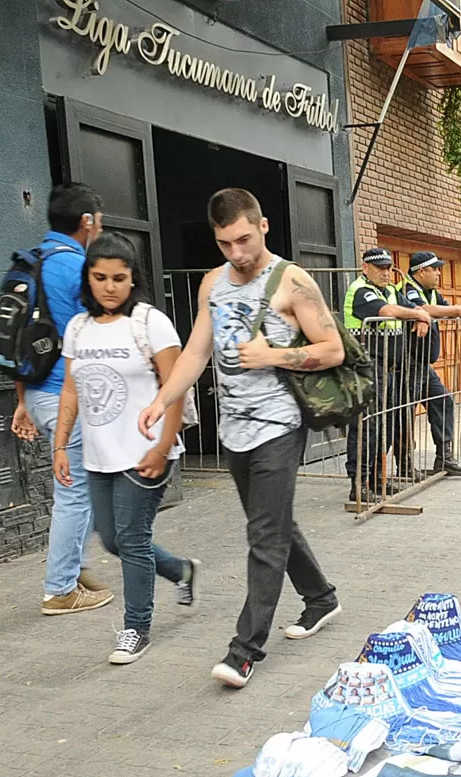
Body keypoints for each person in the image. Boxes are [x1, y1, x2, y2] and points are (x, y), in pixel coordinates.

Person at [138, 188, 346, 689]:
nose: (237, 253)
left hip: (280, 424)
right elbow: (194, 354)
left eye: (244, 240)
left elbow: (333, 348)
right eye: (225, 243)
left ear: (264, 227)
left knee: (263, 537)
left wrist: (274, 355)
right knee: (270, 523)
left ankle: (244, 651)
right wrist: (162, 399)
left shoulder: (292, 280)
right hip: (234, 429)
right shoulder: (212, 283)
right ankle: (321, 598)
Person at [52, 233, 198, 665]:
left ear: (134, 279)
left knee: (132, 539)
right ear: (88, 279)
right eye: (100, 277)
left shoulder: (151, 322)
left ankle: (136, 628)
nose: (110, 286)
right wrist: (60, 445)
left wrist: (164, 445)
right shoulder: (78, 328)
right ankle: (180, 570)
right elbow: (71, 391)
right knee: (112, 539)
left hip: (146, 450)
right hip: (98, 455)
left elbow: (177, 389)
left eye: (120, 278)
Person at [9, 182, 114, 616]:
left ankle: (77, 567)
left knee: (84, 486)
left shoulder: (30, 263)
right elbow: (92, 338)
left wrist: (21, 402)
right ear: (87, 222)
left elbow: (19, 340)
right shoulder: (75, 267)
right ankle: (60, 589)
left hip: (36, 392)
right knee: (74, 492)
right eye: (99, 220)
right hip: (64, 397)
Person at [343, 248, 433, 499]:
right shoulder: (361, 291)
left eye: (389, 268)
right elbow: (386, 312)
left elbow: (414, 306)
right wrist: (418, 314)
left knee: (387, 425)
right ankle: (359, 485)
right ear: (365, 268)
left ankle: (376, 478)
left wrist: (421, 315)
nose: (386, 272)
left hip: (391, 370)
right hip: (366, 368)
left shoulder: (391, 290)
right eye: (380, 268)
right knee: (367, 426)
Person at [400, 251, 461, 473]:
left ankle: (444, 457)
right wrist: (435, 313)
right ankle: (403, 466)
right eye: (435, 269)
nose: (439, 273)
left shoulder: (431, 292)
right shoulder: (407, 289)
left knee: (443, 401)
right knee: (404, 413)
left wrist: (457, 311)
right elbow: (425, 309)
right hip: (407, 363)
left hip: (422, 364)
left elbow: (442, 309)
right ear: (421, 271)